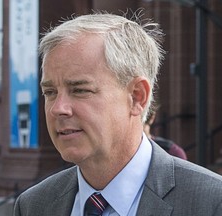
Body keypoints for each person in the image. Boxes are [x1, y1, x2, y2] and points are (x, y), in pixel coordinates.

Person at [14, 12, 222, 216]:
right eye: (50, 92)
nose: (58, 108)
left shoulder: (211, 203)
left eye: (80, 90)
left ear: (137, 97)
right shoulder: (33, 205)